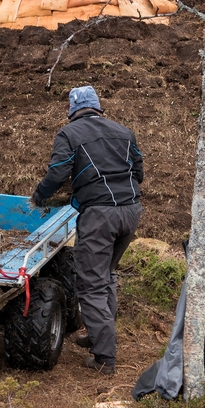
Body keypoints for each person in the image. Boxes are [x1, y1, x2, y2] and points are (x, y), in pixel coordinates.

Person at [31, 85, 143, 375]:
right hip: (131, 211)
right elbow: (138, 171)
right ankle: (96, 335)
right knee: (106, 274)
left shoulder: (68, 135)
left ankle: (104, 358)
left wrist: (40, 195)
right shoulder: (123, 131)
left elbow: (58, 173)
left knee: (91, 285)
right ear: (97, 106)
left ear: (72, 110)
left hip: (99, 217)